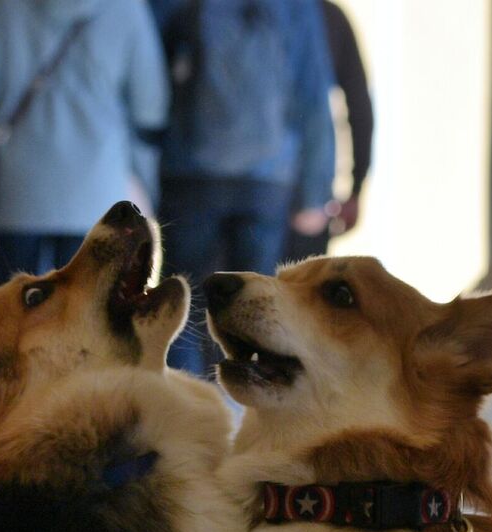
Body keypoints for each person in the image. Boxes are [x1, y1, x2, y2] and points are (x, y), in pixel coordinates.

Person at [151, 0, 335, 375]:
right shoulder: (295, 7)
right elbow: (313, 93)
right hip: (268, 180)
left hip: (191, 174)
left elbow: (149, 77)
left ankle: (185, 409)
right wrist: (317, 191)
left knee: (182, 306)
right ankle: (248, 405)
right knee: (257, 309)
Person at [0, 0, 168, 280]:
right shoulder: (125, 8)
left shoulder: (3, 7)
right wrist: (143, 174)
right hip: (99, 191)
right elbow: (149, 104)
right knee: (85, 313)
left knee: (17, 309)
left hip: (16, 189)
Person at [281, 0, 372, 263]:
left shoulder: (219, 7)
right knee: (298, 294)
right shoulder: (329, 17)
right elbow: (359, 107)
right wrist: (356, 187)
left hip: (218, 179)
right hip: (308, 191)